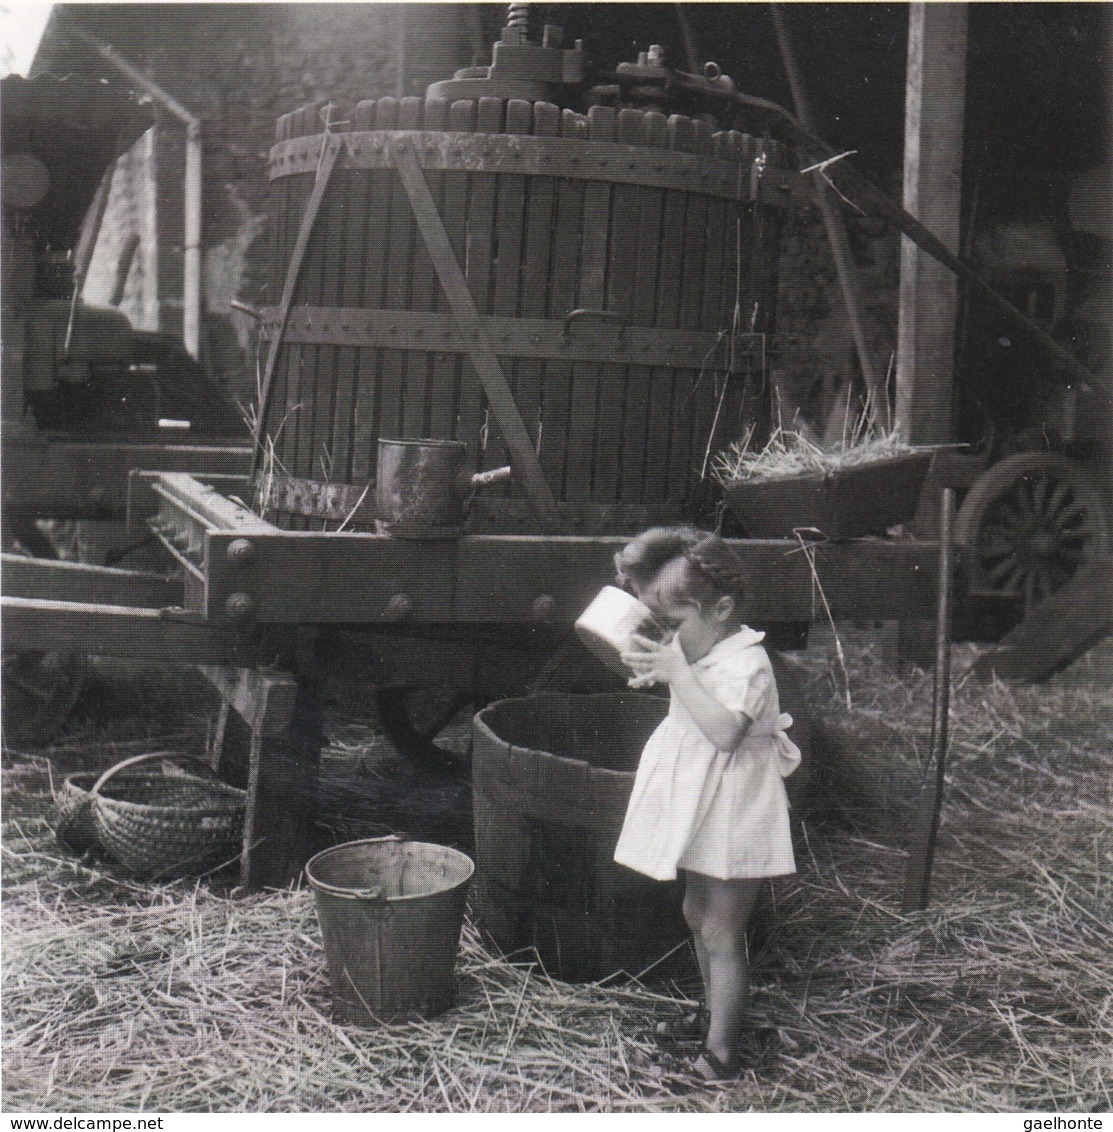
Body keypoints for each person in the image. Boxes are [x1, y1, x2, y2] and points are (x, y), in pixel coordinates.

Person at [611, 526, 800, 1083]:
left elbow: (724, 734)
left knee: (722, 930)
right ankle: (713, 1015)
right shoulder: (700, 650)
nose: (667, 639)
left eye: (674, 625)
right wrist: (662, 665)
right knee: (697, 913)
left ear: (721, 608)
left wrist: (676, 673)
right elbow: (684, 693)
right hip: (701, 801)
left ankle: (720, 1054)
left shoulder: (749, 664)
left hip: (736, 809)